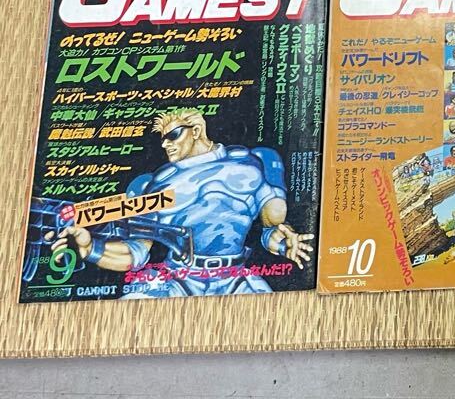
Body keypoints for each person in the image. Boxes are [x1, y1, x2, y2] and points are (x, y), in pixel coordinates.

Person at [49, 109, 311, 298]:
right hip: (176, 279)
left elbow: (272, 227)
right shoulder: (154, 186)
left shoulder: (251, 163)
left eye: (173, 135)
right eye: (163, 138)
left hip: (236, 279)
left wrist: (284, 243)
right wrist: (89, 248)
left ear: (196, 131)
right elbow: (134, 254)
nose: (166, 144)